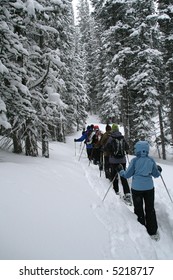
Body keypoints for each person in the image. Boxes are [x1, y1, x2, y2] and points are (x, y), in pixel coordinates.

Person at [117, 140, 162, 240]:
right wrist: (158, 170)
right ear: (146, 149)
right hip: (149, 188)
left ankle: (141, 227)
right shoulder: (151, 160)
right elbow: (156, 174)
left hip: (137, 188)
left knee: (138, 208)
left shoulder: (135, 161)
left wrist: (120, 171)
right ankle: (152, 231)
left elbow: (127, 174)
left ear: (137, 149)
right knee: (150, 208)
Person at [104, 123, 131, 203]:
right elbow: (127, 147)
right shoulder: (122, 137)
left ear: (112, 130)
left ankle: (116, 192)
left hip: (113, 160)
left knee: (114, 176)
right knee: (123, 176)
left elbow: (106, 148)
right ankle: (127, 194)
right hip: (122, 160)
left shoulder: (111, 138)